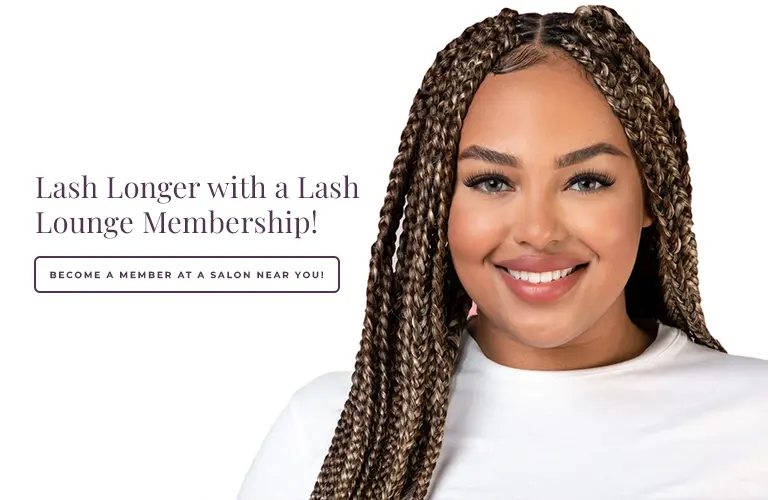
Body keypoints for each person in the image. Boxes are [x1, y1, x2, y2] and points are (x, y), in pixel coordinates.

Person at [237, 6, 768, 499]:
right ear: (438, 202)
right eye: (492, 182)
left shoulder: (754, 422)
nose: (538, 231)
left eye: (585, 181)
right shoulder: (336, 432)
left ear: (653, 197)